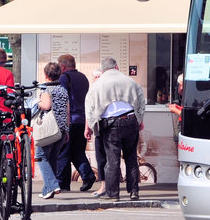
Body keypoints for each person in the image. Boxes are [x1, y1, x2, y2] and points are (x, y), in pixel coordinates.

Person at [85, 57, 146, 201]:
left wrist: (92, 126)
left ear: (103, 70)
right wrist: (140, 119)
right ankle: (134, 191)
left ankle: (113, 194)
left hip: (111, 124)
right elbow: (141, 100)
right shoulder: (130, 81)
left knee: (112, 160)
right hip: (131, 121)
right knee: (131, 157)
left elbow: (90, 107)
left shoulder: (97, 84)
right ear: (117, 67)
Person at [56, 54, 96, 192]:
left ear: (62, 66)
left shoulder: (63, 78)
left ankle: (62, 184)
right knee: (78, 151)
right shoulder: (83, 77)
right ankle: (88, 175)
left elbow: (63, 99)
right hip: (82, 120)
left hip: (70, 119)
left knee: (63, 153)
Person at [36, 61, 71, 199]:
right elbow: (67, 111)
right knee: (52, 159)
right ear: (59, 74)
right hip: (61, 130)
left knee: (41, 156)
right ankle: (47, 191)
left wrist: (37, 102)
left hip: (49, 130)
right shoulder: (63, 90)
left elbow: (46, 105)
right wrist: (67, 130)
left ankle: (53, 184)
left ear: (46, 75)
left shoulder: (46, 90)